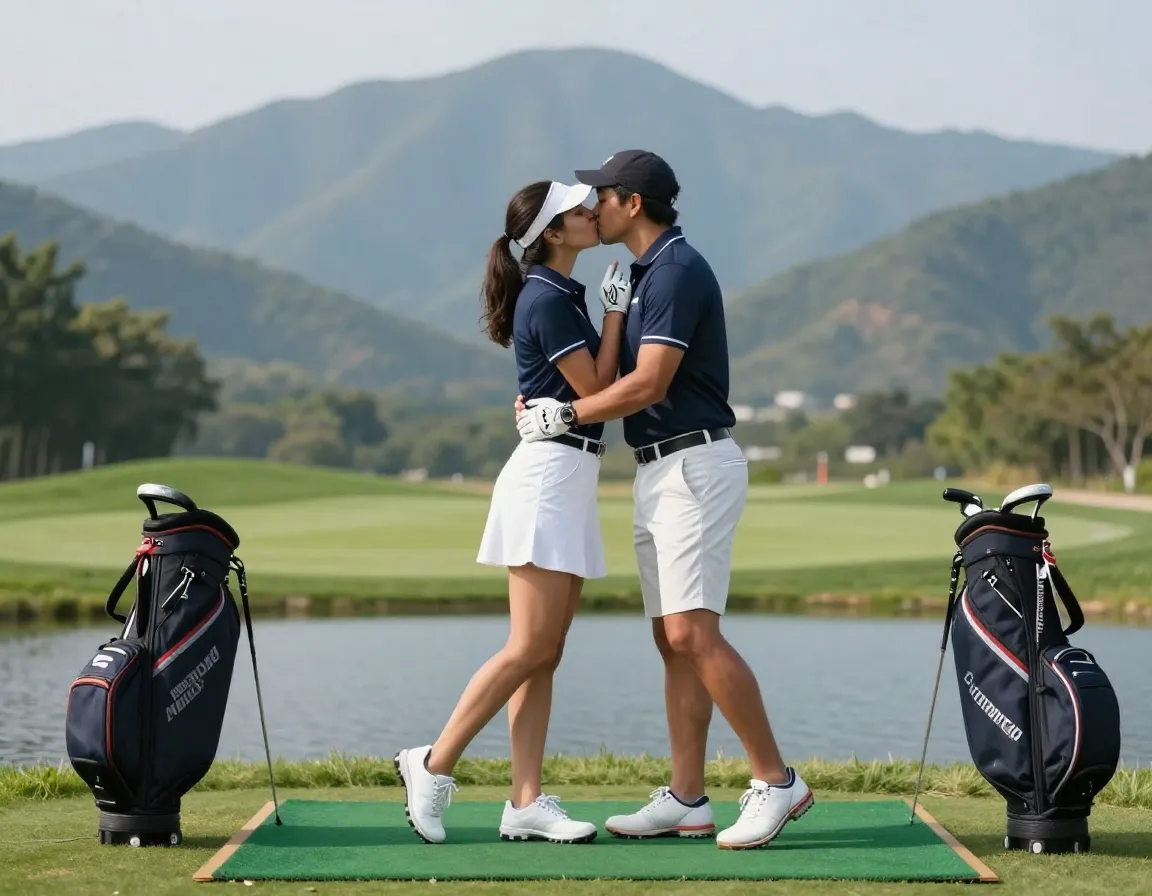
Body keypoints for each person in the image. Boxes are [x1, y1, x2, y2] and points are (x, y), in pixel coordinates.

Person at [514, 150, 813, 850]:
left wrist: (565, 415)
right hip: (659, 468)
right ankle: (687, 799)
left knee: (691, 634)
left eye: (601, 197)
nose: (594, 208)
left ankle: (776, 780)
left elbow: (647, 384)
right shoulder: (649, 274)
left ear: (633, 203)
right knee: (671, 640)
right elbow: (615, 379)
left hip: (694, 466)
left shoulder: (676, 270)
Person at [395, 179, 631, 845]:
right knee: (529, 646)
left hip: (569, 473)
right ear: (553, 234)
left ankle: (525, 800)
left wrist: (608, 316)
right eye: (578, 212)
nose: (592, 215)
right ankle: (433, 763)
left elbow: (583, 391)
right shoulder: (547, 299)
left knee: (545, 654)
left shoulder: (556, 294)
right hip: (550, 477)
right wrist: (616, 319)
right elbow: (599, 389)